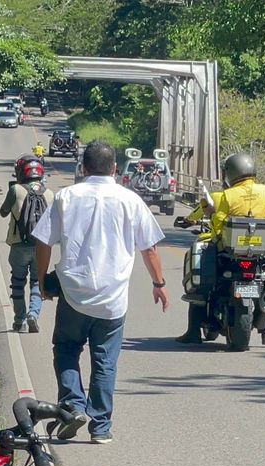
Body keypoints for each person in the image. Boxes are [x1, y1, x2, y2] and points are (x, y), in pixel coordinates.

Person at [32, 140, 168, 444]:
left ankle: (72, 406)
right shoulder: (130, 200)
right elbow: (150, 248)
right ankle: (101, 427)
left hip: (73, 294)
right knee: (105, 361)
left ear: (83, 168)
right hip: (113, 300)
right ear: (116, 169)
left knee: (66, 349)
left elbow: (42, 241)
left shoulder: (66, 197)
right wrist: (159, 284)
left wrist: (42, 282)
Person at [176, 152, 265, 345]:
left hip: (228, 248)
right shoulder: (264, 191)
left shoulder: (225, 195)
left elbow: (219, 221)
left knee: (201, 290)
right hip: (259, 247)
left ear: (231, 172)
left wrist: (211, 217)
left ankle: (193, 332)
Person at [0, 155, 54, 333]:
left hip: (18, 245)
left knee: (17, 283)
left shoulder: (16, 190)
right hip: (41, 246)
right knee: (37, 282)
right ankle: (34, 314)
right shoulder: (49, 193)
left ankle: (20, 320)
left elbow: (3, 212)